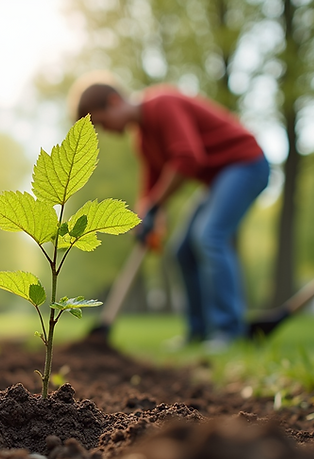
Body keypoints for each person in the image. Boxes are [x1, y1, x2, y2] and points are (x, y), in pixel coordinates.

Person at [76, 82, 269, 349]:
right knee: (182, 251)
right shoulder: (143, 140)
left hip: (246, 164)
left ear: (113, 102)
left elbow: (188, 158)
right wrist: (145, 219)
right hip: (217, 181)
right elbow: (152, 189)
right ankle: (198, 332)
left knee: (209, 235)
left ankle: (229, 331)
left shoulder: (162, 104)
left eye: (102, 122)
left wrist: (156, 204)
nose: (105, 131)